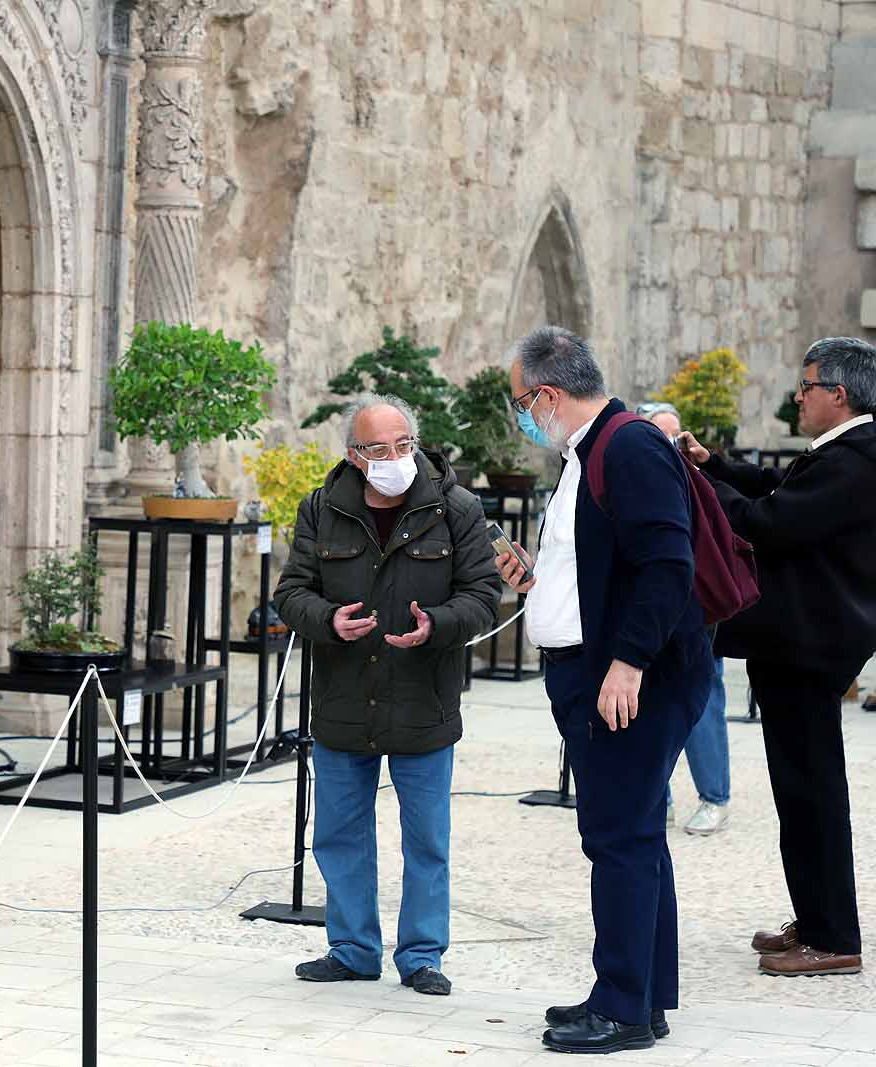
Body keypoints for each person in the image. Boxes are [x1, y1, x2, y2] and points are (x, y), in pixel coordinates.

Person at [497, 327, 712, 1054]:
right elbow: (599, 559)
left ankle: (622, 1005)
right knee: (635, 833)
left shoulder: (627, 445)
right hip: (599, 671)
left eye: (523, 402)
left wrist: (628, 663)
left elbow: (667, 562)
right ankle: (640, 997)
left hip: (630, 679)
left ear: (549, 394)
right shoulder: (585, 453)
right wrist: (538, 577)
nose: (524, 417)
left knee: (618, 836)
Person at [273, 394, 500, 998]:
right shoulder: (321, 510)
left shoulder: (456, 509)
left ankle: (422, 955)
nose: (395, 458)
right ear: (354, 454)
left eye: (404, 445)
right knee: (339, 833)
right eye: (378, 449)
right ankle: (351, 950)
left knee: (427, 838)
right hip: (344, 698)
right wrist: (326, 619)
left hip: (423, 696)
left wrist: (440, 626)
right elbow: (290, 592)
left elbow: (484, 593)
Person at [676, 336, 876, 978]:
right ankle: (817, 917)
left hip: (809, 645)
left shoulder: (857, 459)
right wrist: (714, 465)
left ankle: (833, 935)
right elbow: (776, 486)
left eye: (807, 385)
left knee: (812, 791)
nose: (799, 396)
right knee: (802, 790)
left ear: (837, 395)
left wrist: (698, 487)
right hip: (800, 642)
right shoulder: (841, 454)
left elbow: (771, 522)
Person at [636, 401, 731, 836]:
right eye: (661, 437)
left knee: (704, 703)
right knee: (646, 708)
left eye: (677, 436)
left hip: (695, 612)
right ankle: (660, 795)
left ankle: (714, 796)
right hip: (649, 614)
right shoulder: (635, 482)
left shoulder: (700, 485)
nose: (671, 446)